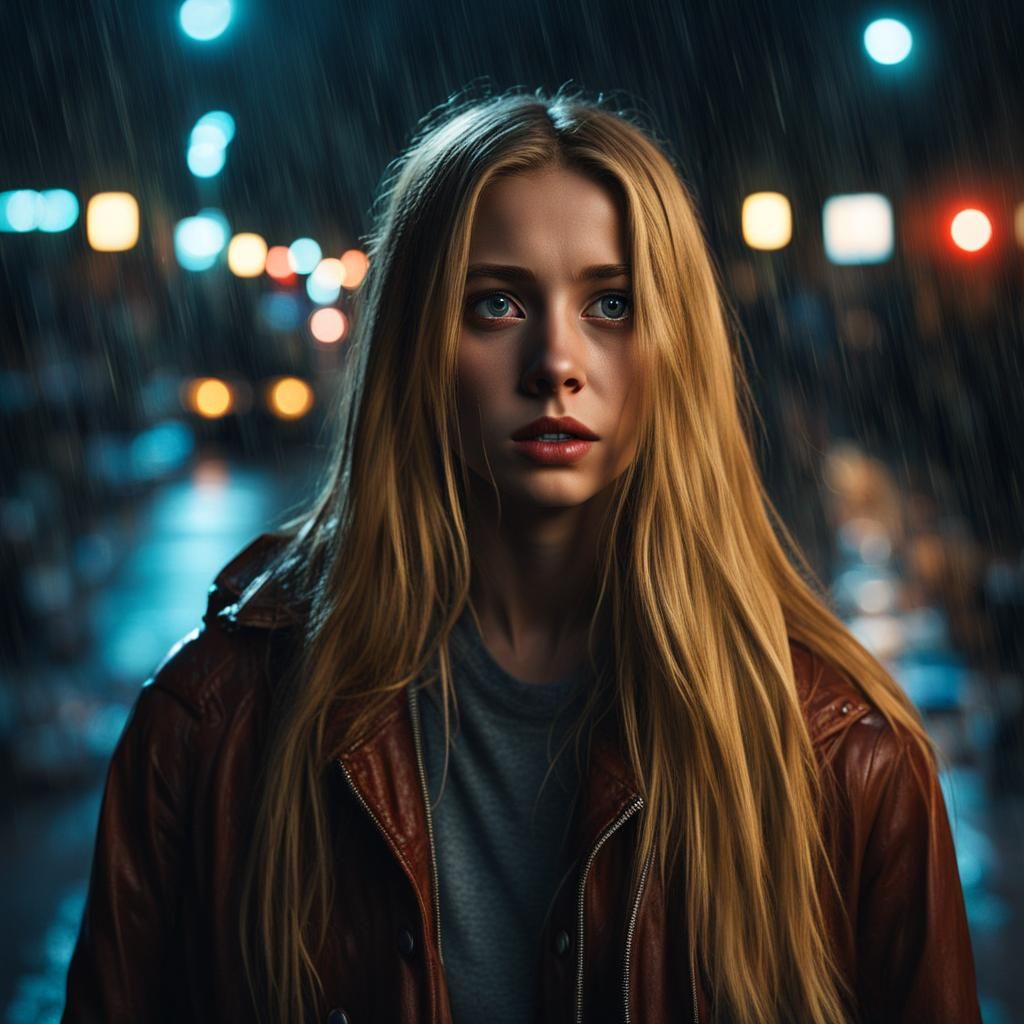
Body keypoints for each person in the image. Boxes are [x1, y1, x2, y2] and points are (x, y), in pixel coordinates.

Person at [61, 87, 981, 1024]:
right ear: (415, 344)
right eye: (496, 302)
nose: (556, 360)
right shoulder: (212, 728)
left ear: (680, 348)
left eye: (611, 303)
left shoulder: (846, 758)